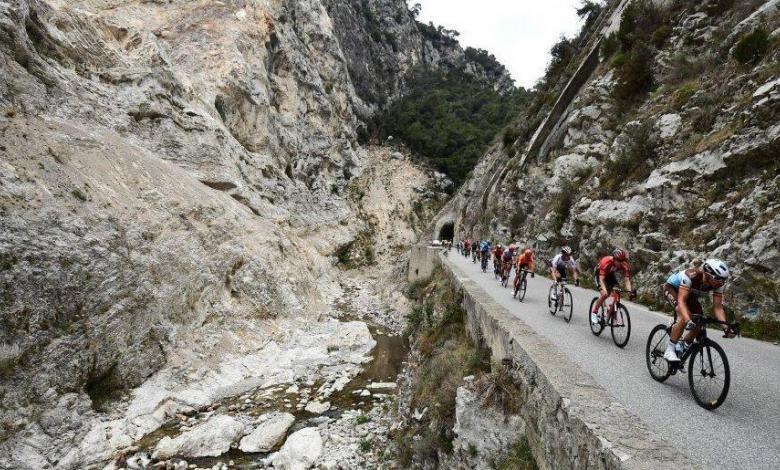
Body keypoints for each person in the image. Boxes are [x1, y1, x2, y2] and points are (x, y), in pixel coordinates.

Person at [661, 259, 734, 362]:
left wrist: (726, 327)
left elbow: (718, 307)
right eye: (719, 279)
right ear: (708, 274)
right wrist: (687, 319)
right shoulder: (691, 275)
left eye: (724, 280)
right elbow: (681, 301)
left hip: (688, 295)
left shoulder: (718, 284)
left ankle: (682, 347)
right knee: (684, 315)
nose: (722, 283)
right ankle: (670, 349)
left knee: (699, 321)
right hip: (672, 289)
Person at [591, 249, 635, 326]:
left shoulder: (624, 265)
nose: (620, 263)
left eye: (622, 261)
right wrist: (604, 290)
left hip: (610, 275)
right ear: (614, 259)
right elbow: (601, 279)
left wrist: (630, 291)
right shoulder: (606, 262)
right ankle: (594, 312)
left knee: (617, 290)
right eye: (618, 261)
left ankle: (612, 310)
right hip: (599, 274)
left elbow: (627, 280)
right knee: (605, 294)